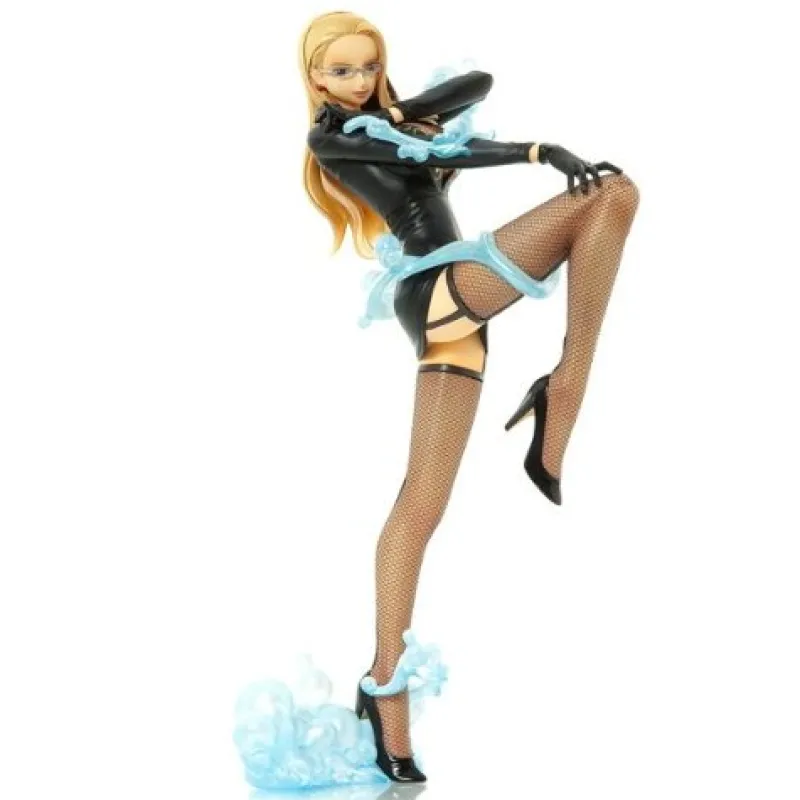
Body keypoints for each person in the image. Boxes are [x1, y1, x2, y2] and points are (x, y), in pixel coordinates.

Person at [299, 10, 640, 783]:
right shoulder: (332, 138)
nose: (357, 80)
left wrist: (399, 106)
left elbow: (476, 84)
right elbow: (437, 152)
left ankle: (382, 687)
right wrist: (535, 152)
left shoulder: (385, 116)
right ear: (313, 77)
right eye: (341, 70)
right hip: (437, 287)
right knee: (612, 194)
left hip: (456, 321)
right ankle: (566, 387)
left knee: (420, 502)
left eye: (367, 65)